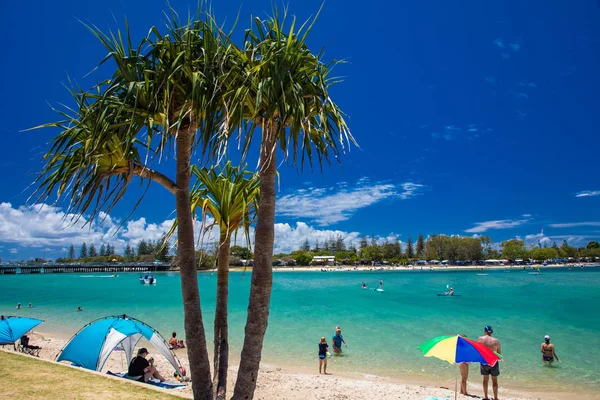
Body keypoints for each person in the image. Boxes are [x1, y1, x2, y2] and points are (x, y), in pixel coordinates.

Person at [478, 325, 501, 400]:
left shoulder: (480, 339)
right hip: (493, 362)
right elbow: (499, 354)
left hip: (484, 361)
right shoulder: (496, 341)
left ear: (485, 331)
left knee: (485, 379)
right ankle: (495, 398)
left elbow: (478, 351)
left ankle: (486, 397)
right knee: (494, 380)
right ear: (492, 332)